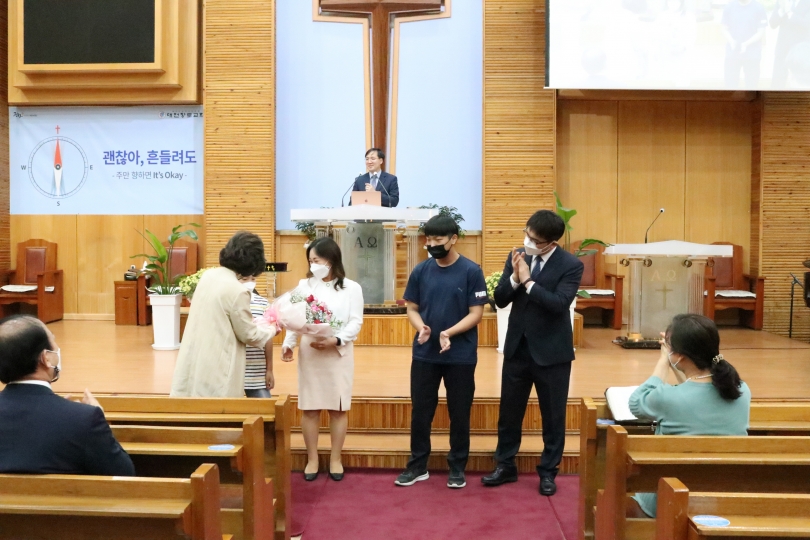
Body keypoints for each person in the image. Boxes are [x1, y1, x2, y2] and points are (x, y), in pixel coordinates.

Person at [483, 210, 584, 496]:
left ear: (550, 243)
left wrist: (528, 282)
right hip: (518, 348)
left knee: (553, 416)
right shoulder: (517, 255)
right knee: (509, 413)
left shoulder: (570, 265)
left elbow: (559, 303)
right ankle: (505, 465)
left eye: (535, 240)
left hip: (552, 353)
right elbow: (500, 299)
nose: (528, 242)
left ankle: (548, 472)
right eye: (527, 235)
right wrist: (515, 279)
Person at [394, 215, 487, 489]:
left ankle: (457, 466)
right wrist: (421, 326)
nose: (432, 244)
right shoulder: (421, 271)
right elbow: (412, 308)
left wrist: (448, 333)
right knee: (421, 412)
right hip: (425, 354)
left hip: (460, 355)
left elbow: (476, 314)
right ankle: (417, 465)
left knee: (460, 412)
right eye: (429, 239)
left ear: (453, 239)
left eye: (438, 239)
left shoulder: (471, 271)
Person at [628, 313, 751, 518]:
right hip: (724, 497)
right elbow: (694, 385)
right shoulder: (741, 390)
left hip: (672, 499)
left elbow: (636, 402)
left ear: (680, 356)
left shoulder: (667, 398)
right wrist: (673, 354)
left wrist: (663, 361)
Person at [0, 315, 135, 476]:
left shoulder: (80, 418)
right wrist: (90, 418)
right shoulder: (85, 419)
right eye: (53, 341)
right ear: (46, 358)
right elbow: (125, 475)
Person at [281, 238, 364, 482]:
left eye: (316, 260)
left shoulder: (351, 288)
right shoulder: (304, 286)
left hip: (338, 352)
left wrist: (336, 339)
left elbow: (355, 321)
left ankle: (336, 458)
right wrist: (288, 343)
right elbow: (293, 318)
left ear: (331, 259)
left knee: (338, 408)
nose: (313, 265)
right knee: (310, 408)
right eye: (310, 261)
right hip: (311, 352)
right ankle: (312, 458)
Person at [171, 231, 276, 397]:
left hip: (197, 356)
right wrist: (272, 329)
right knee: (215, 407)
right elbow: (249, 335)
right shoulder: (237, 290)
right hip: (217, 366)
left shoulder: (208, 276)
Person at [721, 0, 767, 89]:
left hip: (752, 54)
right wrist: (732, 41)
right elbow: (724, 28)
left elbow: (761, 32)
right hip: (732, 53)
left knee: (751, 87)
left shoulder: (759, 8)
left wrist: (746, 44)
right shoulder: (729, 6)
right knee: (730, 86)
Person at [241, 275, 272, 398]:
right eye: (244, 279)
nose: (249, 282)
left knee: (263, 406)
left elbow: (268, 338)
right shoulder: (227, 302)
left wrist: (269, 370)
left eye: (253, 279)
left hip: (256, 371)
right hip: (232, 370)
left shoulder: (263, 303)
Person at [769, 0, 810, 88]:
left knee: (800, 83)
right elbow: (772, 23)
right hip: (782, 49)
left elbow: (807, 23)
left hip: (800, 51)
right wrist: (781, 11)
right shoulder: (781, 2)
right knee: (777, 82)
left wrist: (789, 12)